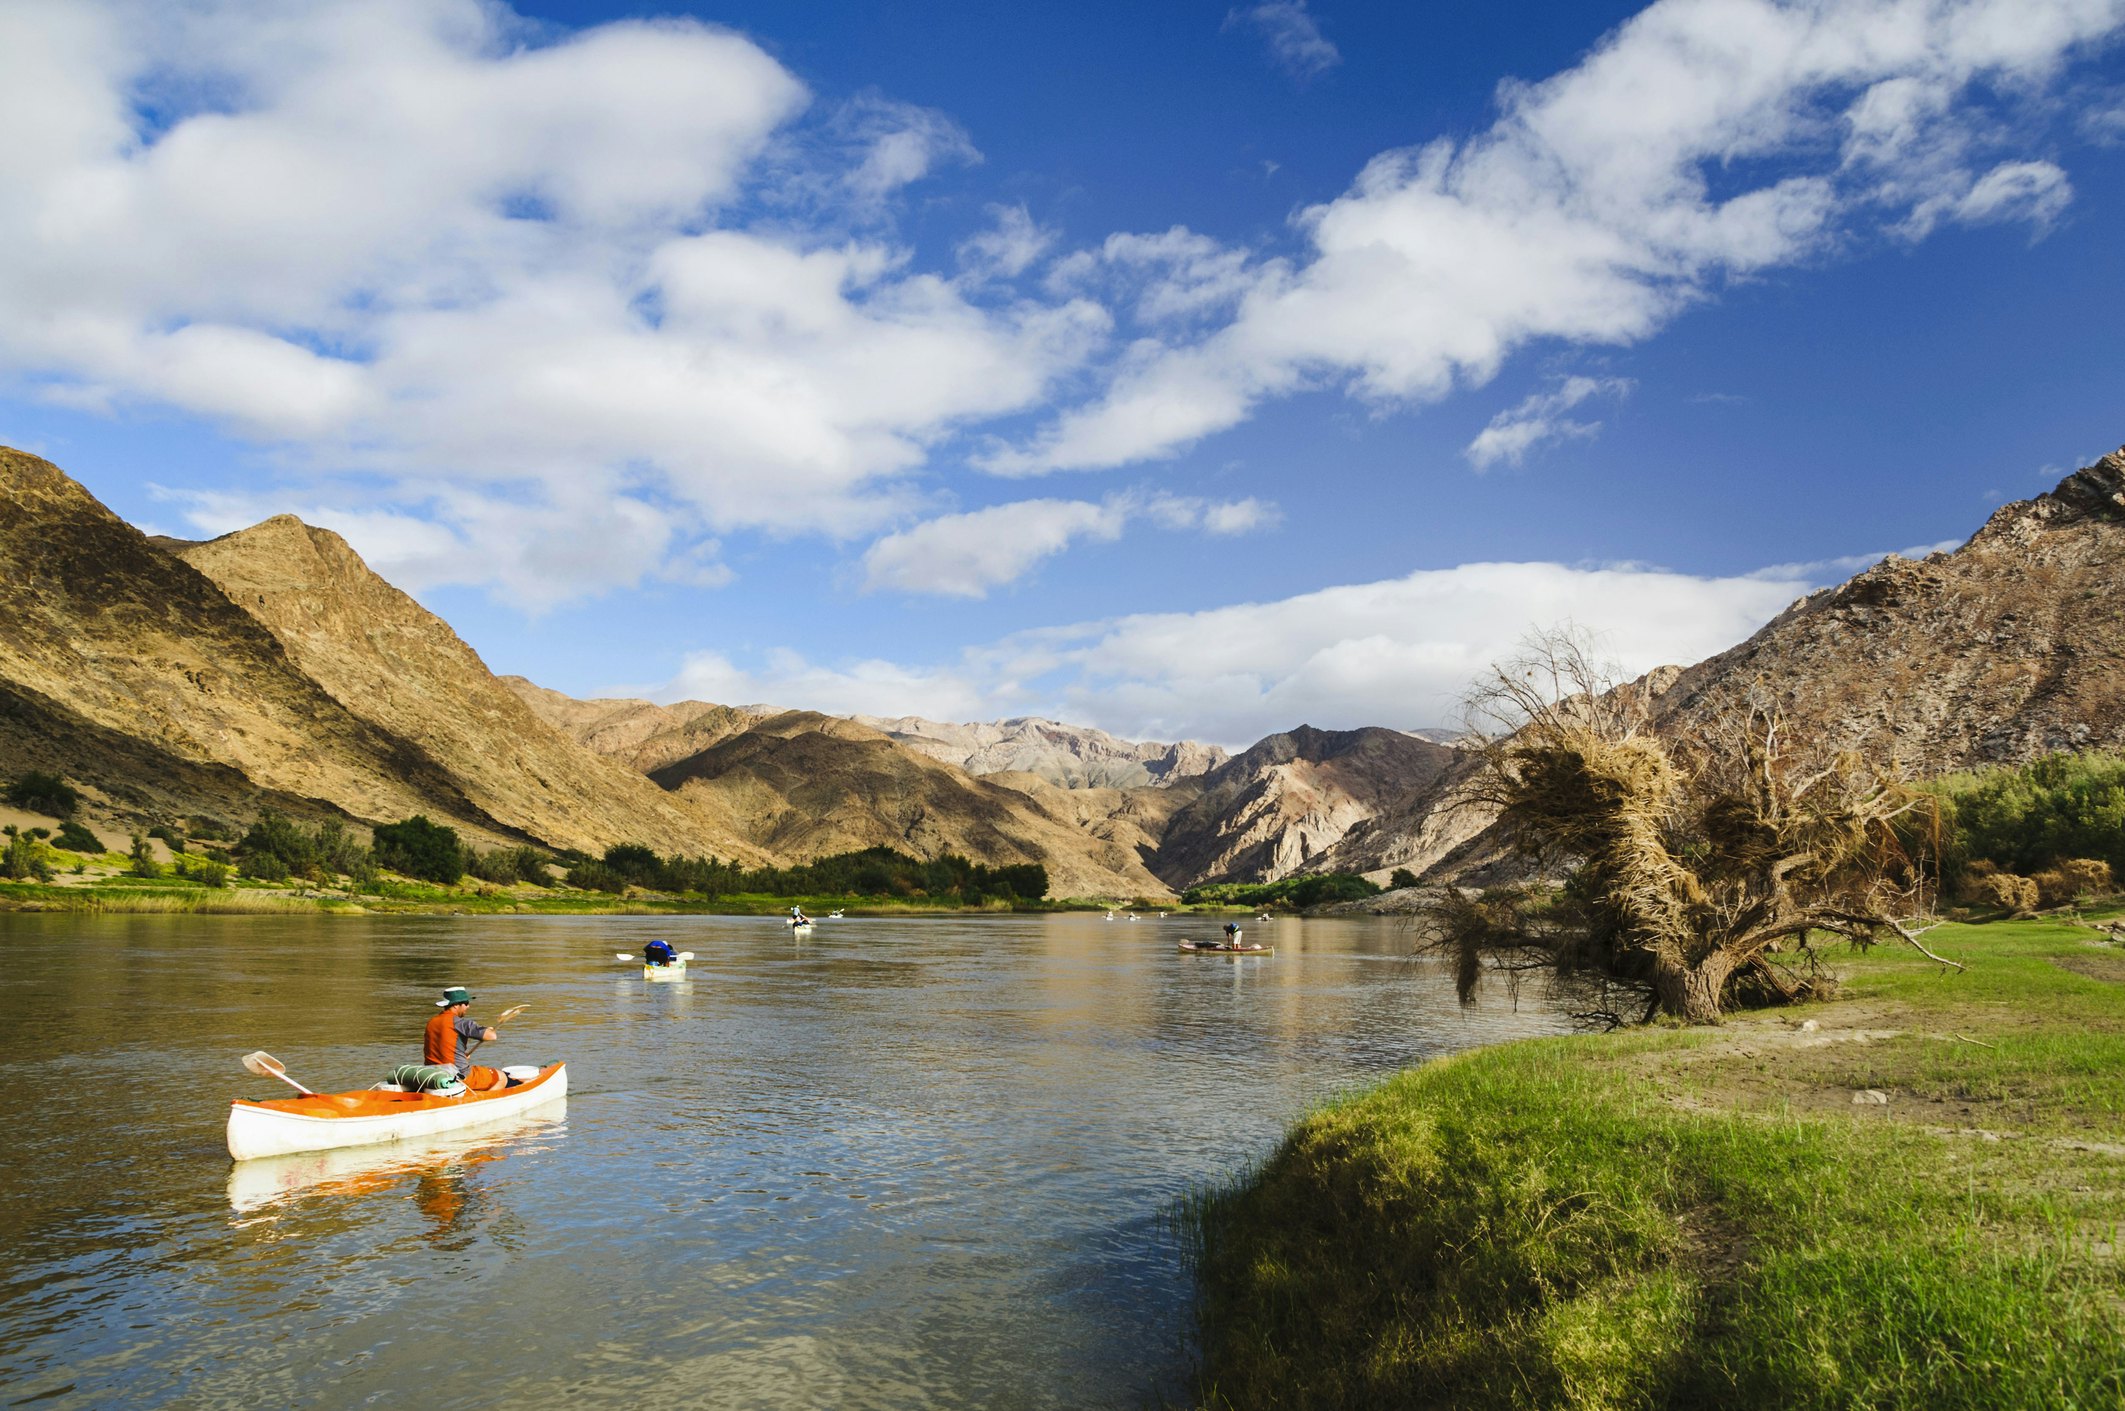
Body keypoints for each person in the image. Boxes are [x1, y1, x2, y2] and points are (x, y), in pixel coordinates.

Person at [425, 985, 504, 1091]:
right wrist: (489, 1030)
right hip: (458, 1075)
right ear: (456, 1005)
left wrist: (462, 1056)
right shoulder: (459, 1023)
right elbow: (492, 1036)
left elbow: (443, 1046)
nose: (468, 1007)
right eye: (466, 1003)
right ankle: (478, 1102)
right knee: (501, 1077)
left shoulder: (432, 1022)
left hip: (433, 1073)